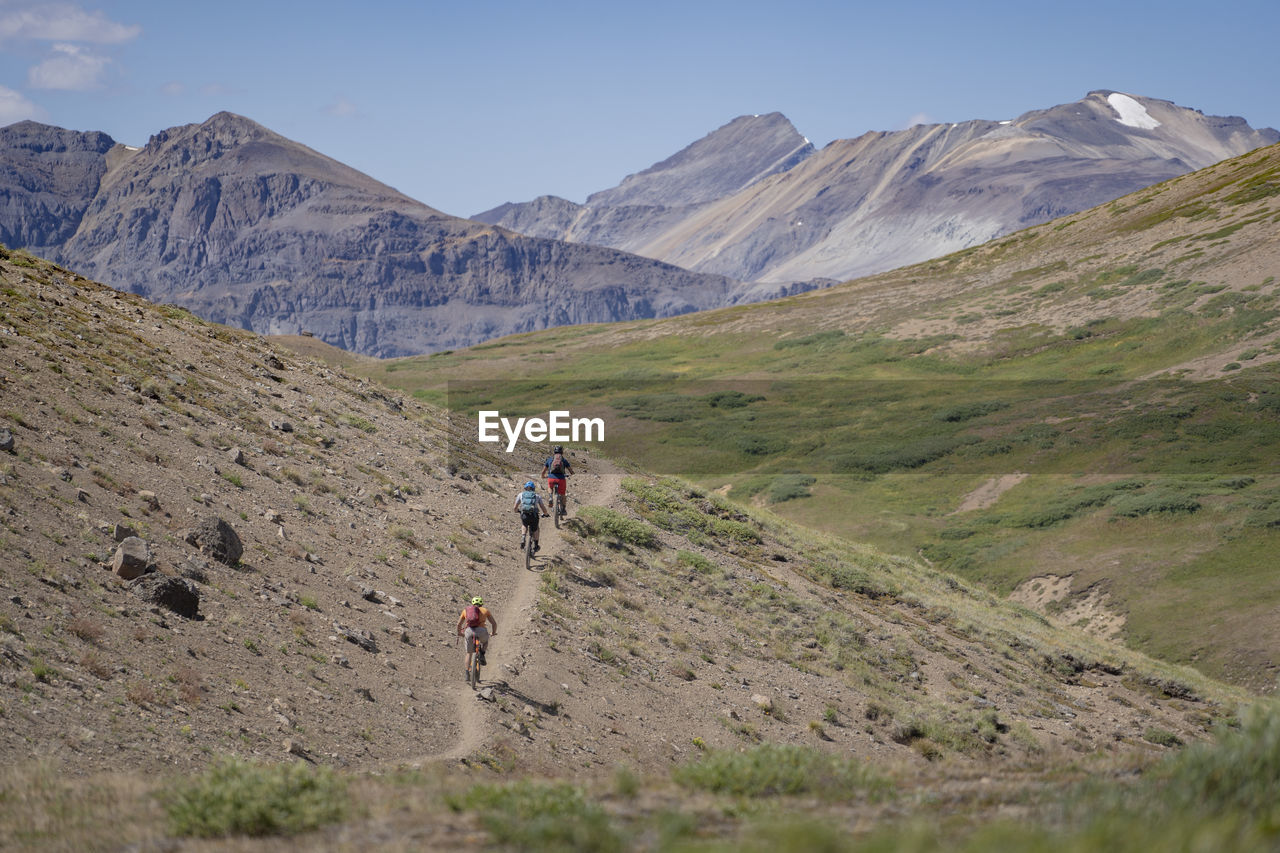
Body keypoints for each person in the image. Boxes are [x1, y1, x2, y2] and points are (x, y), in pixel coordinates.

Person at [456, 595, 497, 674]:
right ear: (481, 603)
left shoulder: (466, 610)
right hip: (481, 631)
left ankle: (467, 673)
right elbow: (494, 623)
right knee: (485, 642)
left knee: (469, 653)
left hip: (469, 631)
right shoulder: (485, 610)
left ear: (472, 603)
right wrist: (493, 632)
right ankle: (482, 653)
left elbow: (458, 624)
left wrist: (459, 633)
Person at [513, 480, 549, 552]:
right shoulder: (537, 496)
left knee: (524, 524)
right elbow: (542, 507)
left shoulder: (520, 495)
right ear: (533, 488)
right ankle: (536, 545)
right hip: (534, 516)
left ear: (525, 488)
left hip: (524, 515)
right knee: (535, 529)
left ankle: (523, 537)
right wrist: (546, 514)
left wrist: (517, 511)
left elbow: (515, 507)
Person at [542, 445, 574, 511]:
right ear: (562, 452)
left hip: (551, 478)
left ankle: (551, 497)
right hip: (561, 479)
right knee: (562, 494)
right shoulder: (564, 460)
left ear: (554, 452)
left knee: (550, 487)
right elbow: (571, 471)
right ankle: (564, 509)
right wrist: (572, 474)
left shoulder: (550, 459)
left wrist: (543, 476)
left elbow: (544, 470)